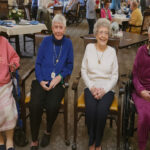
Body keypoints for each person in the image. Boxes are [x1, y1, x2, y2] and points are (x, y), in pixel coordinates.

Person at [29, 14, 74, 150]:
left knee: (52, 105)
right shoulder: (46, 41)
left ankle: (48, 130)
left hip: (57, 82)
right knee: (35, 104)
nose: (58, 30)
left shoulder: (68, 44)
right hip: (41, 80)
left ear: (65, 29)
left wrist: (59, 77)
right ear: (52, 28)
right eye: (56, 27)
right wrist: (41, 80)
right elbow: (38, 63)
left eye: (61, 27)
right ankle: (34, 138)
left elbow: (70, 65)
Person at [81, 18, 118, 150]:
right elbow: (83, 70)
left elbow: (115, 76)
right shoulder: (89, 48)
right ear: (96, 34)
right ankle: (91, 140)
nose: (103, 35)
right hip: (91, 86)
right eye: (101, 32)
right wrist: (91, 87)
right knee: (91, 110)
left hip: (107, 89)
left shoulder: (112, 52)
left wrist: (105, 89)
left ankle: (98, 142)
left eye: (106, 33)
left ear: (109, 35)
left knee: (102, 112)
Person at [0, 36, 20, 150]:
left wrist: (13, 64)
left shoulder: (3, 41)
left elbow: (15, 57)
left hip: (5, 84)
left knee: (8, 111)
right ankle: (0, 140)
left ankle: (9, 140)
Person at [132, 27, 150, 150]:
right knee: (144, 116)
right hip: (140, 90)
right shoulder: (141, 51)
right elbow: (134, 75)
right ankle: (142, 146)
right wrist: (141, 90)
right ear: (148, 34)